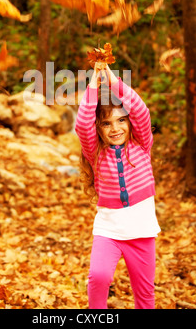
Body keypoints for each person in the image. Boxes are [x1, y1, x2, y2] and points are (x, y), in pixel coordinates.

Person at [75, 63, 160, 309]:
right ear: (98, 129)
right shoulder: (96, 153)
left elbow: (142, 112)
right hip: (109, 232)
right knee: (98, 276)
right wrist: (93, 83)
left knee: (145, 295)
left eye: (121, 120)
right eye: (106, 123)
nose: (115, 128)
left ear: (129, 122)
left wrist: (112, 79)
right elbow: (82, 124)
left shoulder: (142, 145)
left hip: (142, 233)